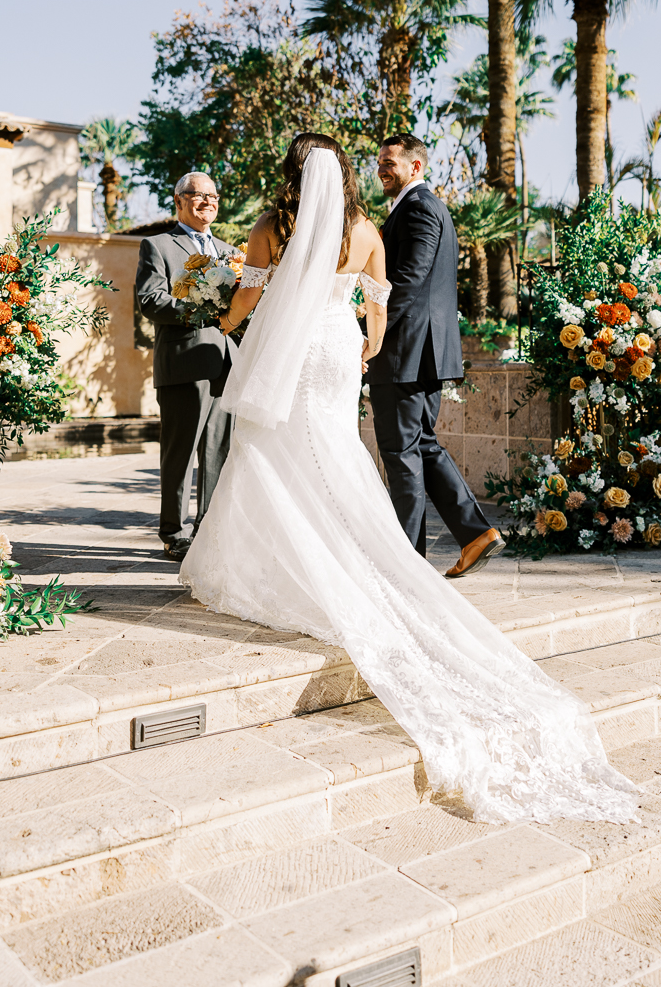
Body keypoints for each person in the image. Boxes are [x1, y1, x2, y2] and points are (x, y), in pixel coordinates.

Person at [179, 134, 637, 826]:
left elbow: (247, 291)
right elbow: (379, 304)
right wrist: (362, 345)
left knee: (272, 455)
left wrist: (223, 320)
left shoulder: (276, 224)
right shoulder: (363, 228)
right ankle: (369, 551)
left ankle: (292, 563)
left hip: (292, 350)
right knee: (332, 453)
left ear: (292, 173)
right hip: (336, 349)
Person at [368, 133, 502, 572]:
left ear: (416, 167)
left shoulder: (420, 206)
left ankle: (407, 564)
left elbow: (408, 281)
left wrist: (367, 331)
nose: (382, 168)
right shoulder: (413, 207)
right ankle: (475, 533)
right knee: (419, 445)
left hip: (406, 350)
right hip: (418, 352)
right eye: (380, 162)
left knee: (401, 453)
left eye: (390, 162)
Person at [135, 172, 235, 561]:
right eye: (198, 195)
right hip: (183, 365)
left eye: (213, 195)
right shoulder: (158, 245)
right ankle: (174, 533)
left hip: (225, 366)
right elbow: (150, 300)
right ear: (179, 200)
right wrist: (202, 310)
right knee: (180, 456)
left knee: (218, 455)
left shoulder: (230, 252)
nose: (207, 201)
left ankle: (207, 529)